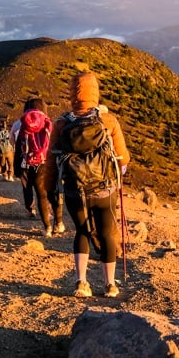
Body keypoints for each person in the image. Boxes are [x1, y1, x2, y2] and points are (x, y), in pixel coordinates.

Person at [46, 72, 129, 299]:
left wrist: (50, 189)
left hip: (75, 190)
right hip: (105, 190)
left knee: (82, 232)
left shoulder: (62, 123)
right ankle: (110, 285)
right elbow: (123, 157)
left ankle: (81, 283)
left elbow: (51, 162)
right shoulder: (107, 121)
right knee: (107, 234)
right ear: (95, 92)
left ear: (72, 93)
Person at [13, 98, 64, 236]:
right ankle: (58, 223)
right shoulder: (49, 123)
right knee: (54, 193)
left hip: (30, 164)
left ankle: (47, 227)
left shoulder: (22, 124)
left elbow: (18, 148)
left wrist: (16, 167)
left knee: (41, 195)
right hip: (48, 163)